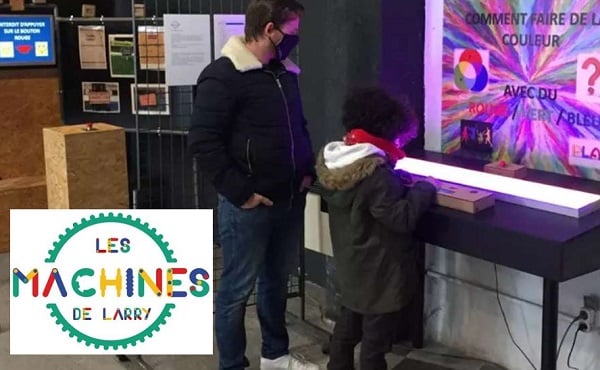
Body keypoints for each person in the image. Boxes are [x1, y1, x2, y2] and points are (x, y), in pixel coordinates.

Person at [187, 0, 315, 369]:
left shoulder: (285, 73)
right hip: (248, 206)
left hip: (289, 198)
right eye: (292, 31)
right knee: (235, 291)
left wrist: (305, 171)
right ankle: (232, 364)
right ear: (270, 29)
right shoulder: (223, 76)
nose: (296, 39)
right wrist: (241, 194)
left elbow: (298, 127)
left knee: (276, 283)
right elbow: (202, 141)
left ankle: (275, 356)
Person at [315, 86, 439, 370]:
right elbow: (401, 219)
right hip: (378, 276)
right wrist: (424, 189)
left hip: (351, 269)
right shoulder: (377, 176)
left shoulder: (337, 162)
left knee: (344, 334)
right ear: (386, 132)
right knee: (373, 346)